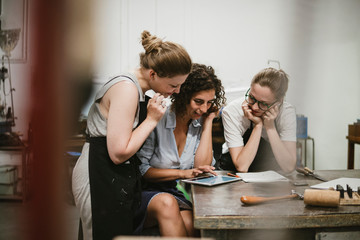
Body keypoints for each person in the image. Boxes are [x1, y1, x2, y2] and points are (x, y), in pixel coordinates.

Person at [72, 30, 192, 240]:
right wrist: (152, 120)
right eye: (174, 85)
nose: (178, 91)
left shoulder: (137, 90)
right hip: (98, 171)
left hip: (112, 174)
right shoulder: (127, 88)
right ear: (153, 74)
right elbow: (119, 152)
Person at [135, 63, 226, 236]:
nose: (204, 109)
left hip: (172, 191)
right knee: (167, 204)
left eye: (209, 103)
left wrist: (207, 124)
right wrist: (183, 174)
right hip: (143, 191)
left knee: (192, 224)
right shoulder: (159, 117)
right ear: (183, 95)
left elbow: (202, 167)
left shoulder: (199, 122)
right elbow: (142, 170)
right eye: (198, 101)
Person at [220, 67, 296, 173]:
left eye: (263, 104)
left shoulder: (286, 112)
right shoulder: (232, 111)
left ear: (278, 102)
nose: (255, 107)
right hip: (232, 172)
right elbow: (242, 167)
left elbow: (288, 167)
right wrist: (258, 125)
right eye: (252, 98)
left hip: (270, 175)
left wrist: (270, 127)